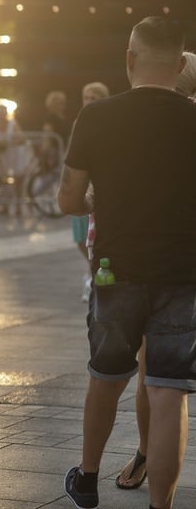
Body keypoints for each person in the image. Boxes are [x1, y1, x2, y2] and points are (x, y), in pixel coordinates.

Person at [59, 16, 196, 509]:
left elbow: (69, 199)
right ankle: (161, 504)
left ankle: (88, 478)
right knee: (168, 391)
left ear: (130, 60)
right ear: (180, 65)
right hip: (184, 275)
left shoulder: (96, 116)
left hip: (116, 270)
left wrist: (93, 201)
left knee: (106, 376)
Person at [112, 51, 196, 492]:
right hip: (176, 265)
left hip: (157, 264)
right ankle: (149, 460)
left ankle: (147, 455)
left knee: (159, 377)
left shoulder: (137, 120)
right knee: (165, 380)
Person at [73, 82, 110, 303]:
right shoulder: (79, 122)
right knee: (79, 236)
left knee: (94, 236)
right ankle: (91, 270)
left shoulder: (110, 122)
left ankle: (92, 274)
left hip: (97, 185)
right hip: (81, 183)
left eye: (94, 97)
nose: (89, 101)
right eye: (86, 97)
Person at [0, 102, 26, 216]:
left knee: (18, 180)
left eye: (3, 113)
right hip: (1, 156)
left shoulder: (13, 124)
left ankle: (18, 206)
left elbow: (22, 138)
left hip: (14, 154)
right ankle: (4, 205)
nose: (1, 115)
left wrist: (9, 142)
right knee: (2, 180)